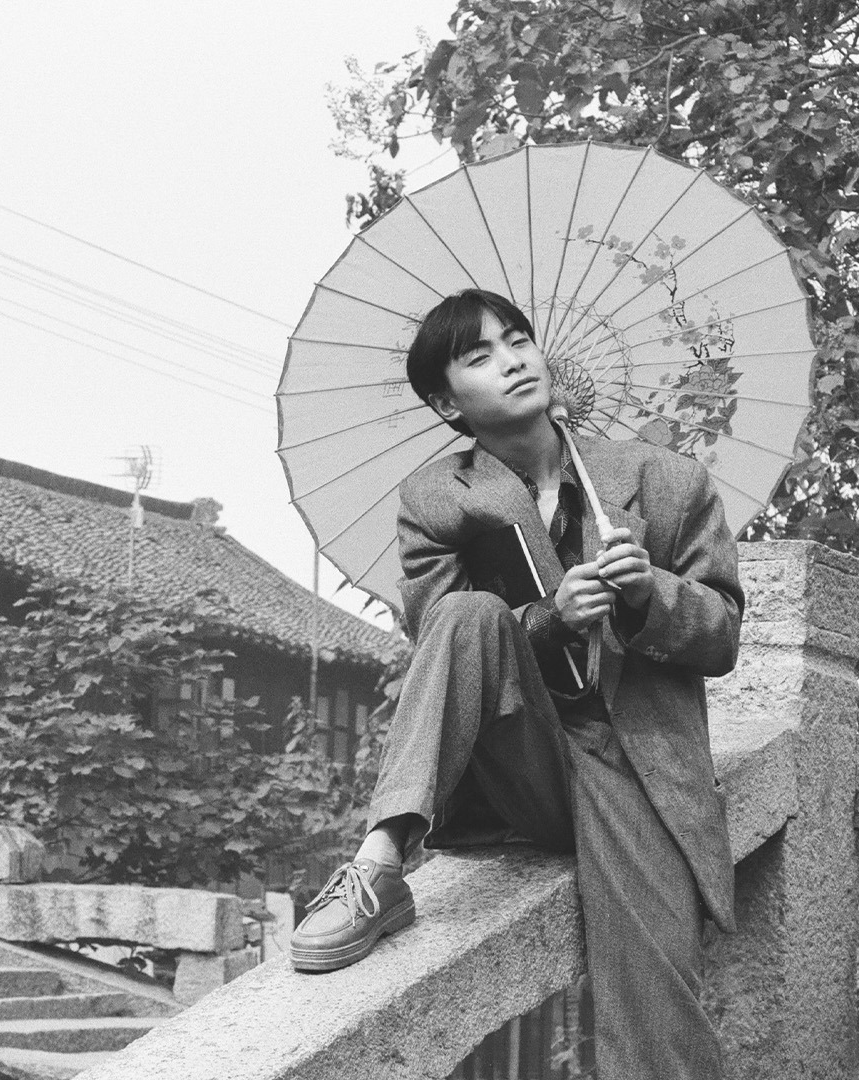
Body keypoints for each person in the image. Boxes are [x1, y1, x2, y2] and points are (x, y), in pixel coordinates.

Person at [288, 288, 743, 1080]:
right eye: (479, 356)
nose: (512, 360)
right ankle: (379, 861)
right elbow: (442, 640)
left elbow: (724, 633)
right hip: (521, 759)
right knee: (467, 614)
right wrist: (548, 619)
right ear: (447, 403)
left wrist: (650, 594)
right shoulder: (437, 500)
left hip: (635, 765)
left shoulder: (664, 481)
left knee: (656, 1009)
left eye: (518, 340)